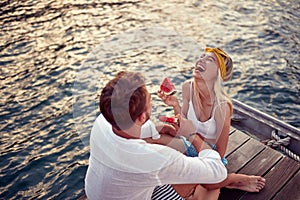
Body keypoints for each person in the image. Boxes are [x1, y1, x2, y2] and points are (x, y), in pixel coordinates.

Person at [84, 71, 228, 200]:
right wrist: (192, 134)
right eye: (150, 100)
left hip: (101, 194)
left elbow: (128, 132)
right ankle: (232, 181)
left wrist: (156, 128)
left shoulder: (102, 121)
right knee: (209, 184)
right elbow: (217, 171)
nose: (152, 102)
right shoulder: (155, 157)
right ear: (141, 117)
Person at [156, 47, 266, 196]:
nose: (201, 60)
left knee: (205, 189)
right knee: (152, 137)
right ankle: (220, 182)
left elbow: (219, 153)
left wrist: (193, 163)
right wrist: (175, 105)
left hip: (210, 155)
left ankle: (231, 180)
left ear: (217, 74)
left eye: (210, 60)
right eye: (202, 56)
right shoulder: (188, 87)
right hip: (187, 143)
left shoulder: (222, 107)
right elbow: (183, 121)